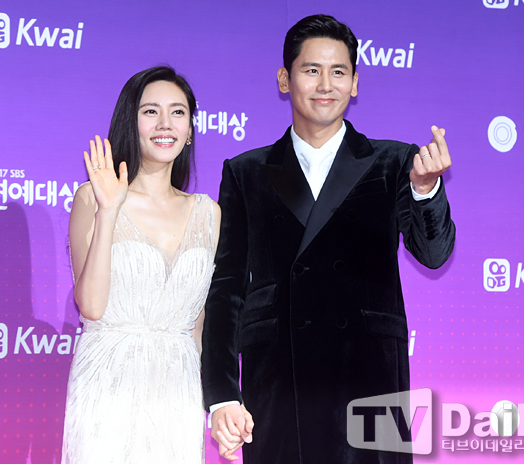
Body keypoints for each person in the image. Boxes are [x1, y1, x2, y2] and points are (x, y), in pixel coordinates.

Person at [201, 14, 456, 464]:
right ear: (285, 79)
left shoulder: (394, 162)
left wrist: (426, 190)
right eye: (311, 70)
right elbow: (226, 290)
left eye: (338, 72)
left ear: (354, 83)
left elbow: (434, 254)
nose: (325, 85)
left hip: (370, 376)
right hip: (278, 380)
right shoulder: (246, 172)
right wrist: (222, 393)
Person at [62, 66, 221, 463]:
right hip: (108, 385)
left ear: (189, 130)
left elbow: (198, 325)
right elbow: (91, 306)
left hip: (178, 389)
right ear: (130, 123)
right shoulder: (92, 198)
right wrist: (109, 211)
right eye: (151, 111)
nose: (165, 123)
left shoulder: (208, 213)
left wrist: (217, 403)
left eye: (178, 112)